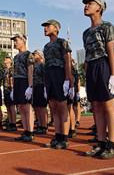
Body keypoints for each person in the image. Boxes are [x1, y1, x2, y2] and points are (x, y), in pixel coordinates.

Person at [81, 0, 114, 159]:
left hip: (104, 65)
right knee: (96, 106)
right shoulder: (86, 32)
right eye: (85, 4)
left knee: (108, 106)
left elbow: (111, 50)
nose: (86, 6)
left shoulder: (107, 26)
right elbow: (87, 55)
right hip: (91, 67)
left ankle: (111, 145)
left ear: (99, 7)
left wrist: (113, 74)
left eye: (90, 4)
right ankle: (101, 142)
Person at [41, 19, 74, 149]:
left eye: (48, 26)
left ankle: (64, 138)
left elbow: (67, 61)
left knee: (62, 106)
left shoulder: (62, 42)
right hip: (49, 75)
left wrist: (68, 78)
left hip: (60, 74)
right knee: (53, 106)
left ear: (56, 28)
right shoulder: (46, 46)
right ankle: (57, 136)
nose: (45, 28)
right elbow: (45, 65)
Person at [11, 34, 35, 142]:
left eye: (16, 40)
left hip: (25, 81)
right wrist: (13, 88)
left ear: (23, 40)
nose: (14, 43)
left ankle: (30, 132)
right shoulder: (15, 57)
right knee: (20, 107)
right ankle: (25, 131)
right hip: (17, 81)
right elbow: (14, 72)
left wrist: (30, 86)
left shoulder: (28, 54)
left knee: (27, 108)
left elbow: (30, 70)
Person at [31, 50, 48, 135]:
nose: (33, 56)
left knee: (42, 107)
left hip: (41, 86)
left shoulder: (42, 65)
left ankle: (44, 126)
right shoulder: (34, 65)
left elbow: (45, 76)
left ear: (40, 55)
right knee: (37, 107)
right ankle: (40, 125)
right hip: (35, 86)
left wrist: (45, 87)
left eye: (35, 54)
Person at [2, 56, 17, 132]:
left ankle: (13, 124)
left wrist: (13, 89)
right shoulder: (4, 70)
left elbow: (12, 79)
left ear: (10, 61)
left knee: (12, 107)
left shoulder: (11, 69)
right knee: (8, 107)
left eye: (7, 59)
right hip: (5, 90)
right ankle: (10, 123)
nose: (5, 60)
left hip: (10, 89)